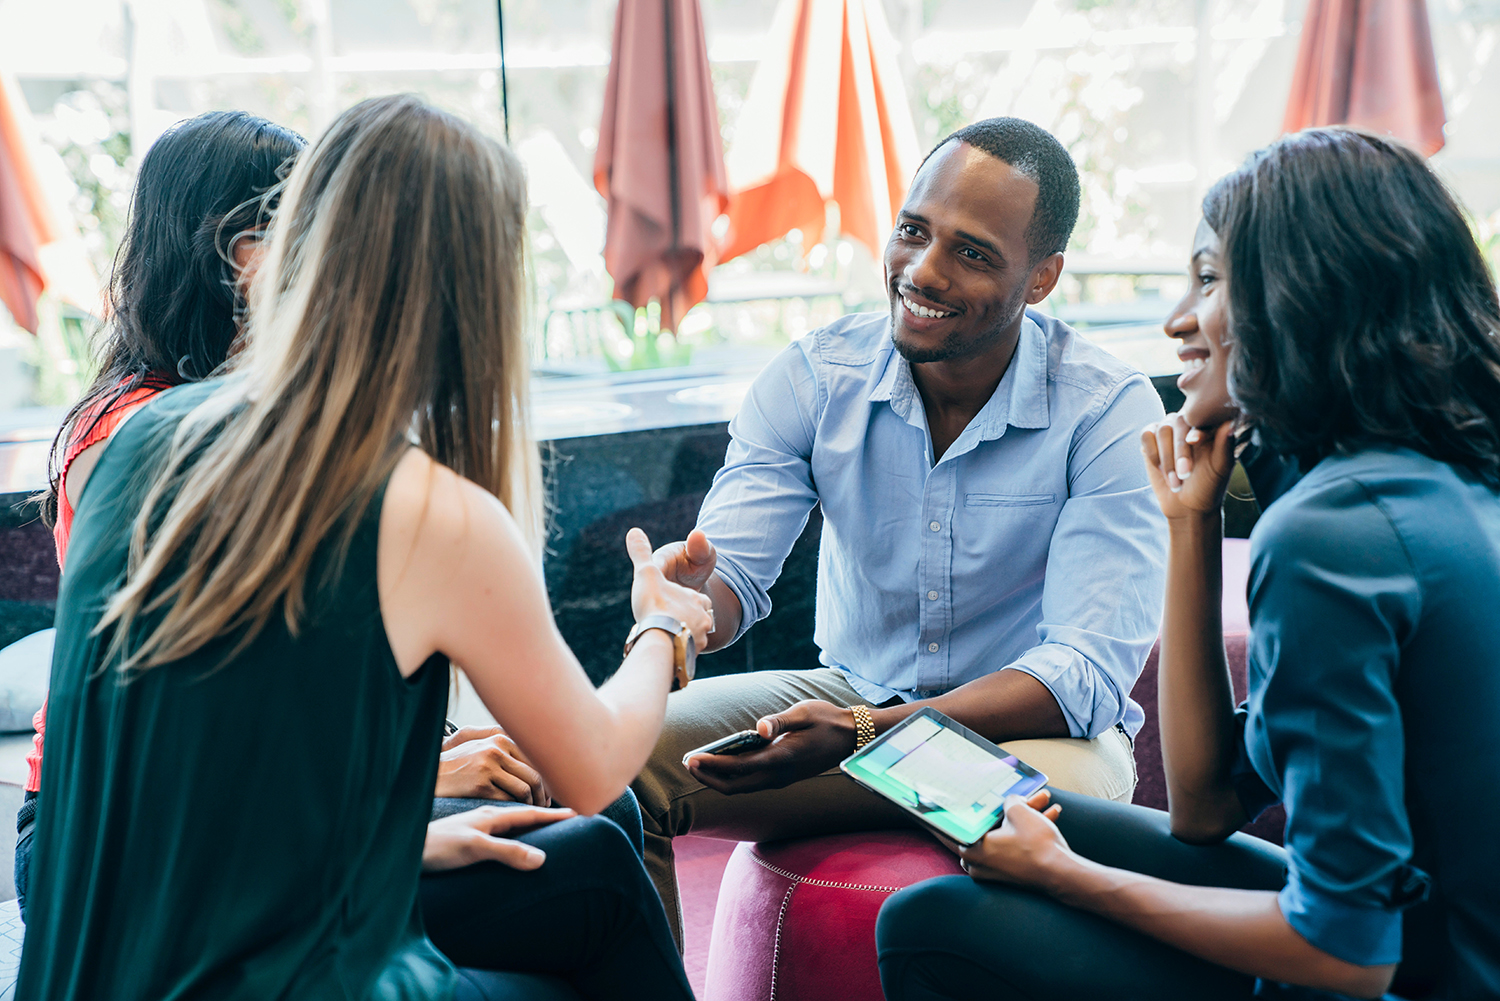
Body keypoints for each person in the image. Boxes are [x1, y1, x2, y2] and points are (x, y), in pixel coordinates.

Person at [17, 94, 710, 1001]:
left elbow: (214, 749)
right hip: (267, 959)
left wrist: (389, 839)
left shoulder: (149, 439)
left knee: (582, 858)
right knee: (601, 877)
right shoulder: (432, 510)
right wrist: (658, 629)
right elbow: (592, 762)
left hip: (112, 950)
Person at [875, 127, 1500, 1000]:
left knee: (932, 924)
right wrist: (1191, 526)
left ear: (1303, 296)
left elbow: (1348, 955)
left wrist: (1066, 877)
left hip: (1406, 974)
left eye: (1208, 280)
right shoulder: (1438, 480)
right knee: (1038, 810)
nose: (1176, 319)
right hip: (1433, 935)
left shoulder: (1335, 534)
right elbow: (1205, 806)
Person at [633, 116, 1169, 945]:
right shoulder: (816, 376)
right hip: (852, 700)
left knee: (1020, 819)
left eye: (974, 252)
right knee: (612, 755)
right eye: (914, 231)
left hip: (1038, 739)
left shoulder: (1105, 408)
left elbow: (1084, 675)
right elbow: (729, 575)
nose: (923, 271)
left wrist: (865, 737)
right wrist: (687, 602)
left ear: (1042, 278)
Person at [18, 109, 307, 915]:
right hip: (108, 839)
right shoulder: (145, 432)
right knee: (587, 861)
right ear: (244, 257)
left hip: (212, 813)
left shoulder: (218, 410)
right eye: (312, 231)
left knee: (587, 834)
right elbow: (197, 713)